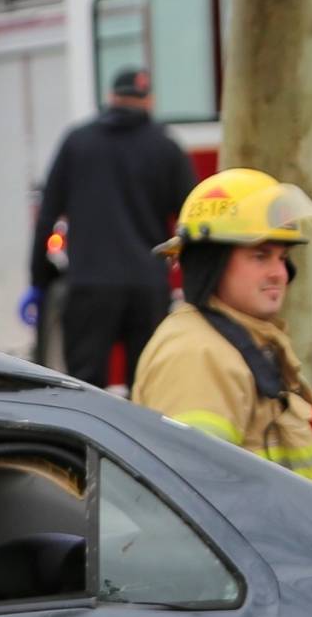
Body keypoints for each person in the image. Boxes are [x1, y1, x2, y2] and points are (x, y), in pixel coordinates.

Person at [130, 168, 312, 484]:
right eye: (261, 256)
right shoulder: (195, 356)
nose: (280, 273)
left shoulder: (246, 343)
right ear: (211, 264)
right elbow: (196, 493)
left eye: (282, 257)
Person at [28, 65, 198, 389]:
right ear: (148, 100)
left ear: (111, 97)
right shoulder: (166, 147)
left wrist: (39, 281)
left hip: (89, 286)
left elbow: (47, 215)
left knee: (84, 391)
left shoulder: (77, 143)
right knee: (148, 388)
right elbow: (192, 220)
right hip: (148, 287)